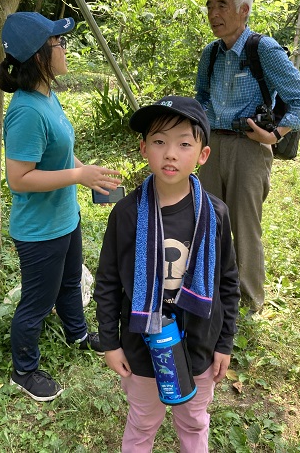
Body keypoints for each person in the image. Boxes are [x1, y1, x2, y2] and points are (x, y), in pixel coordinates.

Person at [94, 95, 240, 453]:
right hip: (143, 344)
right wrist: (109, 342)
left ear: (203, 155)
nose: (170, 153)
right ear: (144, 148)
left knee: (194, 419)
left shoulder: (215, 214)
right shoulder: (127, 214)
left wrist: (224, 343)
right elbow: (108, 282)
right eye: (159, 142)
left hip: (199, 342)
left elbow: (228, 282)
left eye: (184, 144)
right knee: (143, 420)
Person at [0, 12, 122, 402]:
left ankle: (78, 334)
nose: (64, 48)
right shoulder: (26, 111)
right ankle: (24, 369)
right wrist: (77, 177)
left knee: (70, 282)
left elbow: (59, 157)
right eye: (58, 43)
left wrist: (87, 170)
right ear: (39, 56)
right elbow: (19, 179)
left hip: (65, 218)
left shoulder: (47, 97)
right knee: (37, 302)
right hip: (39, 231)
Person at [195, 0, 300, 313]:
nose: (213, 13)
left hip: (249, 149)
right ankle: (211, 293)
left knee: (244, 226)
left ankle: (249, 303)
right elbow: (202, 97)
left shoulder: (262, 48)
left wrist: (275, 134)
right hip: (213, 145)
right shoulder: (211, 52)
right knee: (207, 220)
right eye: (210, 5)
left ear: (243, 11)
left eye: (221, 5)